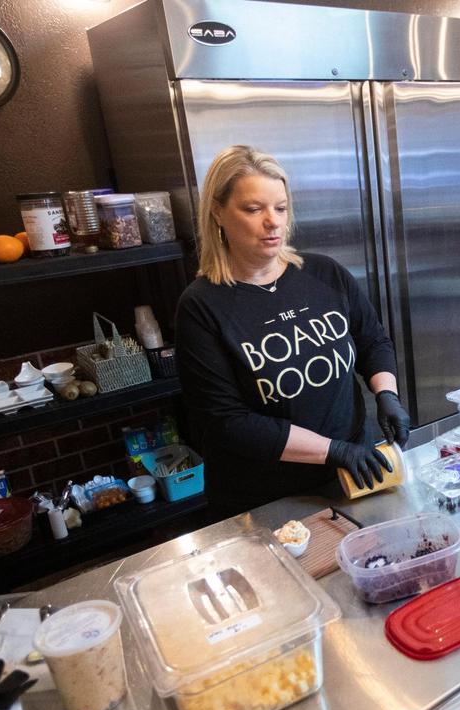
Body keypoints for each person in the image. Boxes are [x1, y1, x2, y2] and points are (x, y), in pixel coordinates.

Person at [176, 145, 411, 516]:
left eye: (281, 208)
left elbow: (372, 340)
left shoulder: (325, 273)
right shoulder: (201, 306)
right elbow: (228, 422)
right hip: (266, 497)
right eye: (254, 209)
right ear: (218, 212)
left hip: (353, 474)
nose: (273, 222)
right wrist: (333, 450)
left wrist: (387, 394)